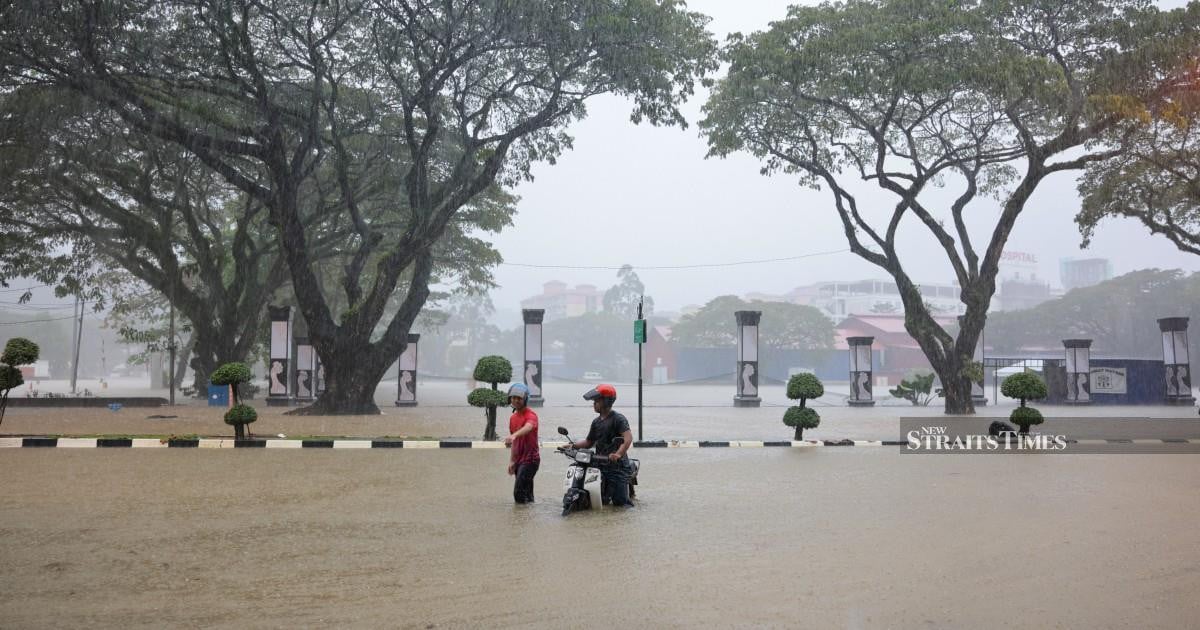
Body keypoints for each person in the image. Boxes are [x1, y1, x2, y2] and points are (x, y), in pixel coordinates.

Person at [561, 383, 635, 507]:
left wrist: (618, 454)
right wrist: (572, 446)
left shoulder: (618, 419)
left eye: (596, 400)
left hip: (617, 466)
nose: (594, 403)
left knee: (621, 504)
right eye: (594, 401)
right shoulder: (596, 422)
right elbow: (588, 442)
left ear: (606, 401)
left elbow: (628, 438)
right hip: (599, 463)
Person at [503, 383, 539, 504]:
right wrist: (512, 461)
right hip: (519, 460)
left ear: (525, 399)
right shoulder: (513, 418)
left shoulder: (531, 415)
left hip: (531, 460)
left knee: (518, 492)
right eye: (513, 398)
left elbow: (529, 427)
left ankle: (520, 519)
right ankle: (529, 517)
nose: (515, 400)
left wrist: (514, 435)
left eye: (519, 398)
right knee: (527, 494)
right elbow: (515, 443)